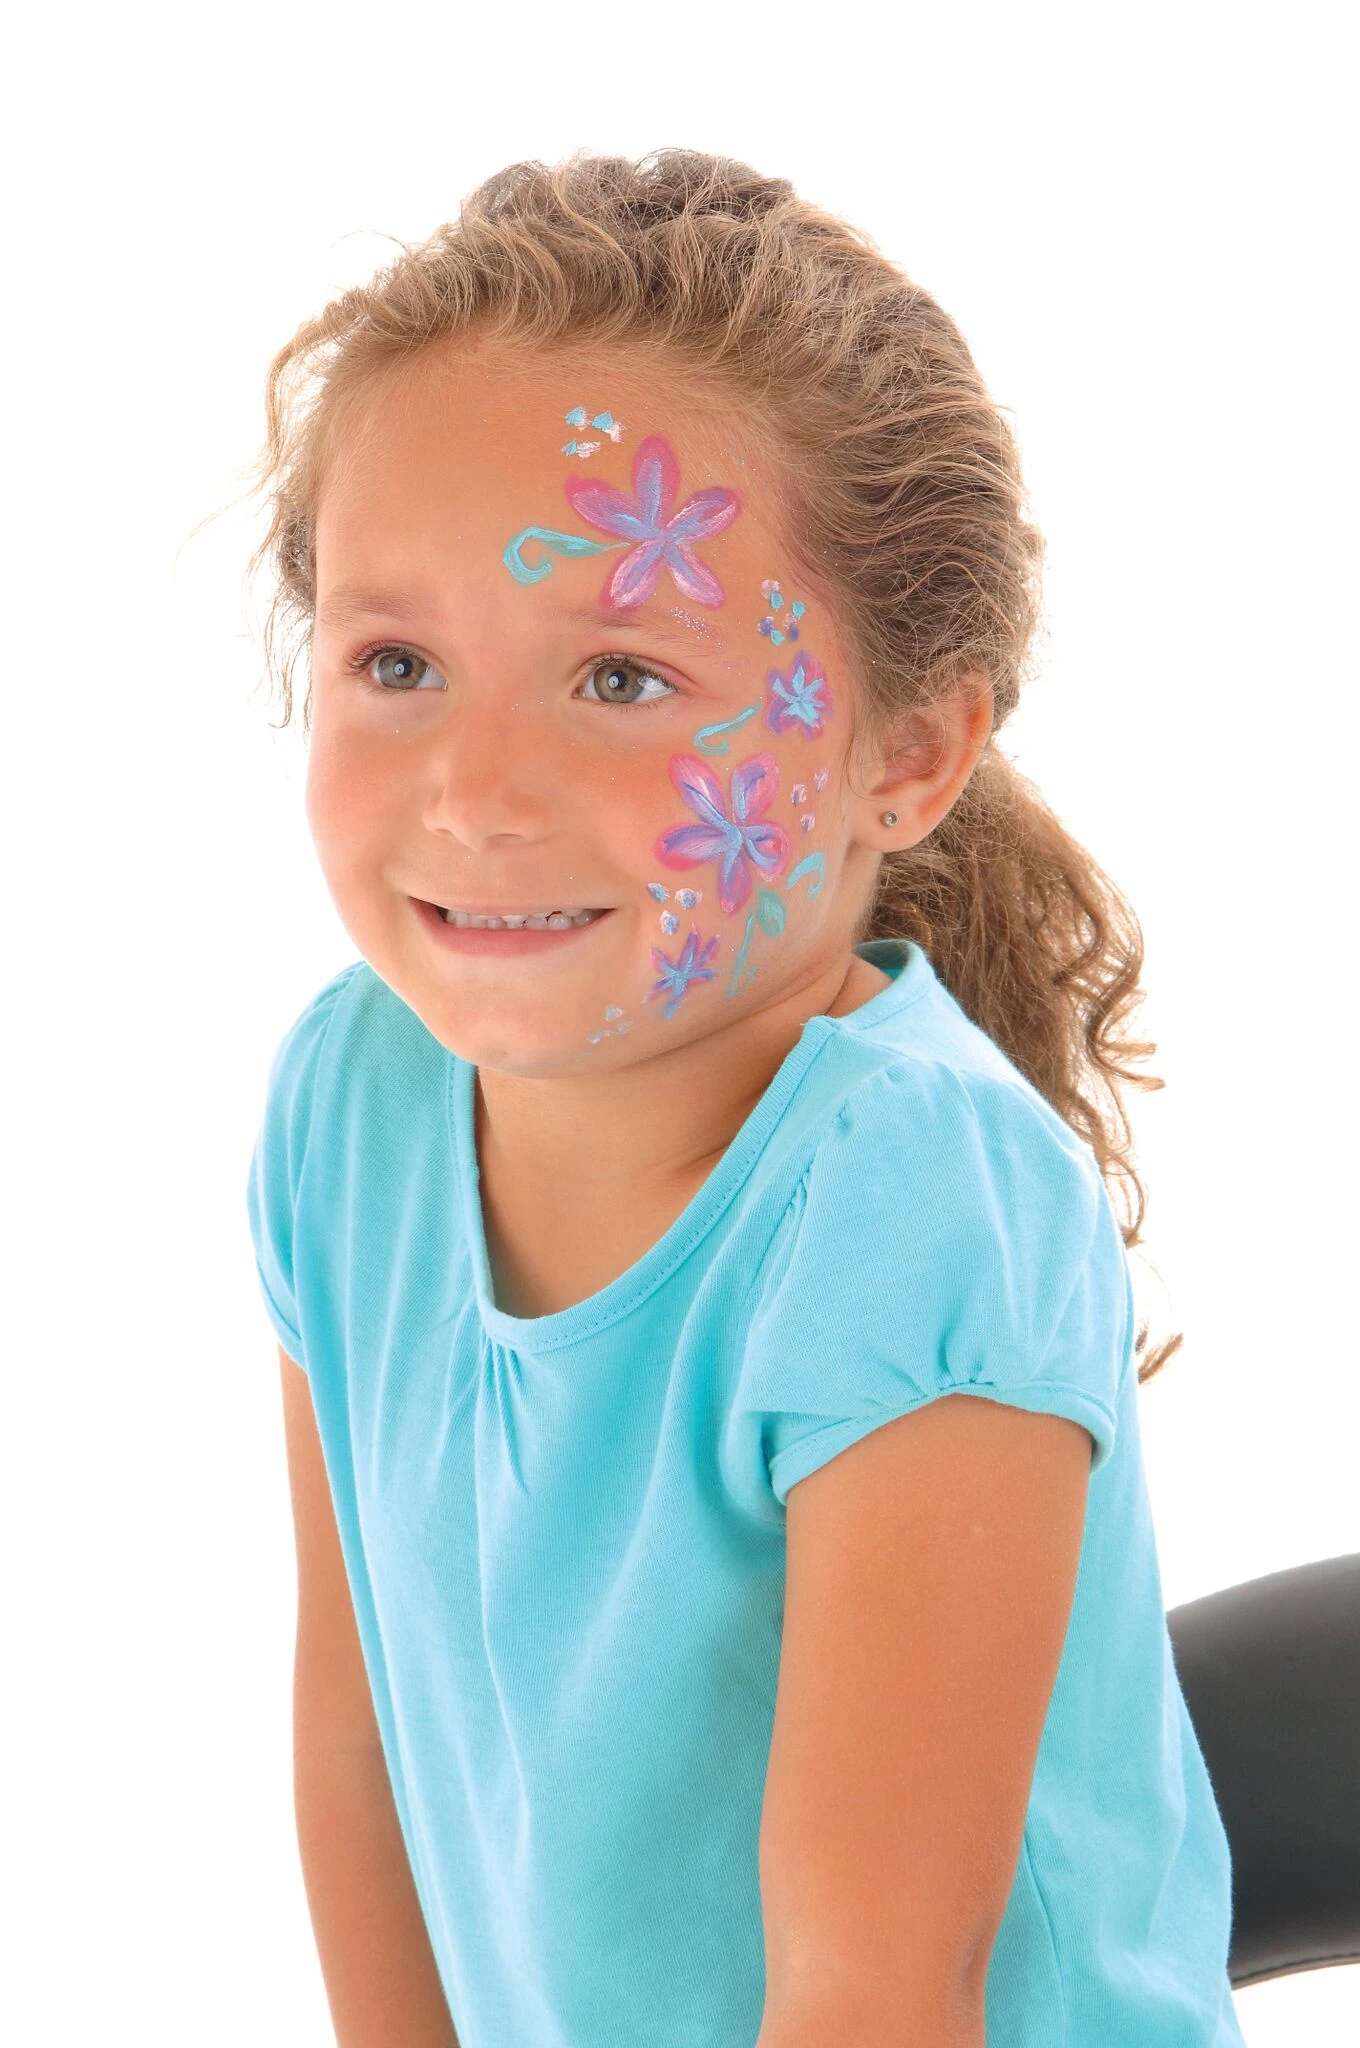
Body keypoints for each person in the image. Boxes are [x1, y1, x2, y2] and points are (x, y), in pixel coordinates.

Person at [244, 148, 1247, 2048]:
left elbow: (876, 1992)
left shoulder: (911, 1198)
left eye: (622, 676)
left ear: (912, 755)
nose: (476, 791)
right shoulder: (354, 1105)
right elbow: (359, 1738)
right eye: (398, 664)